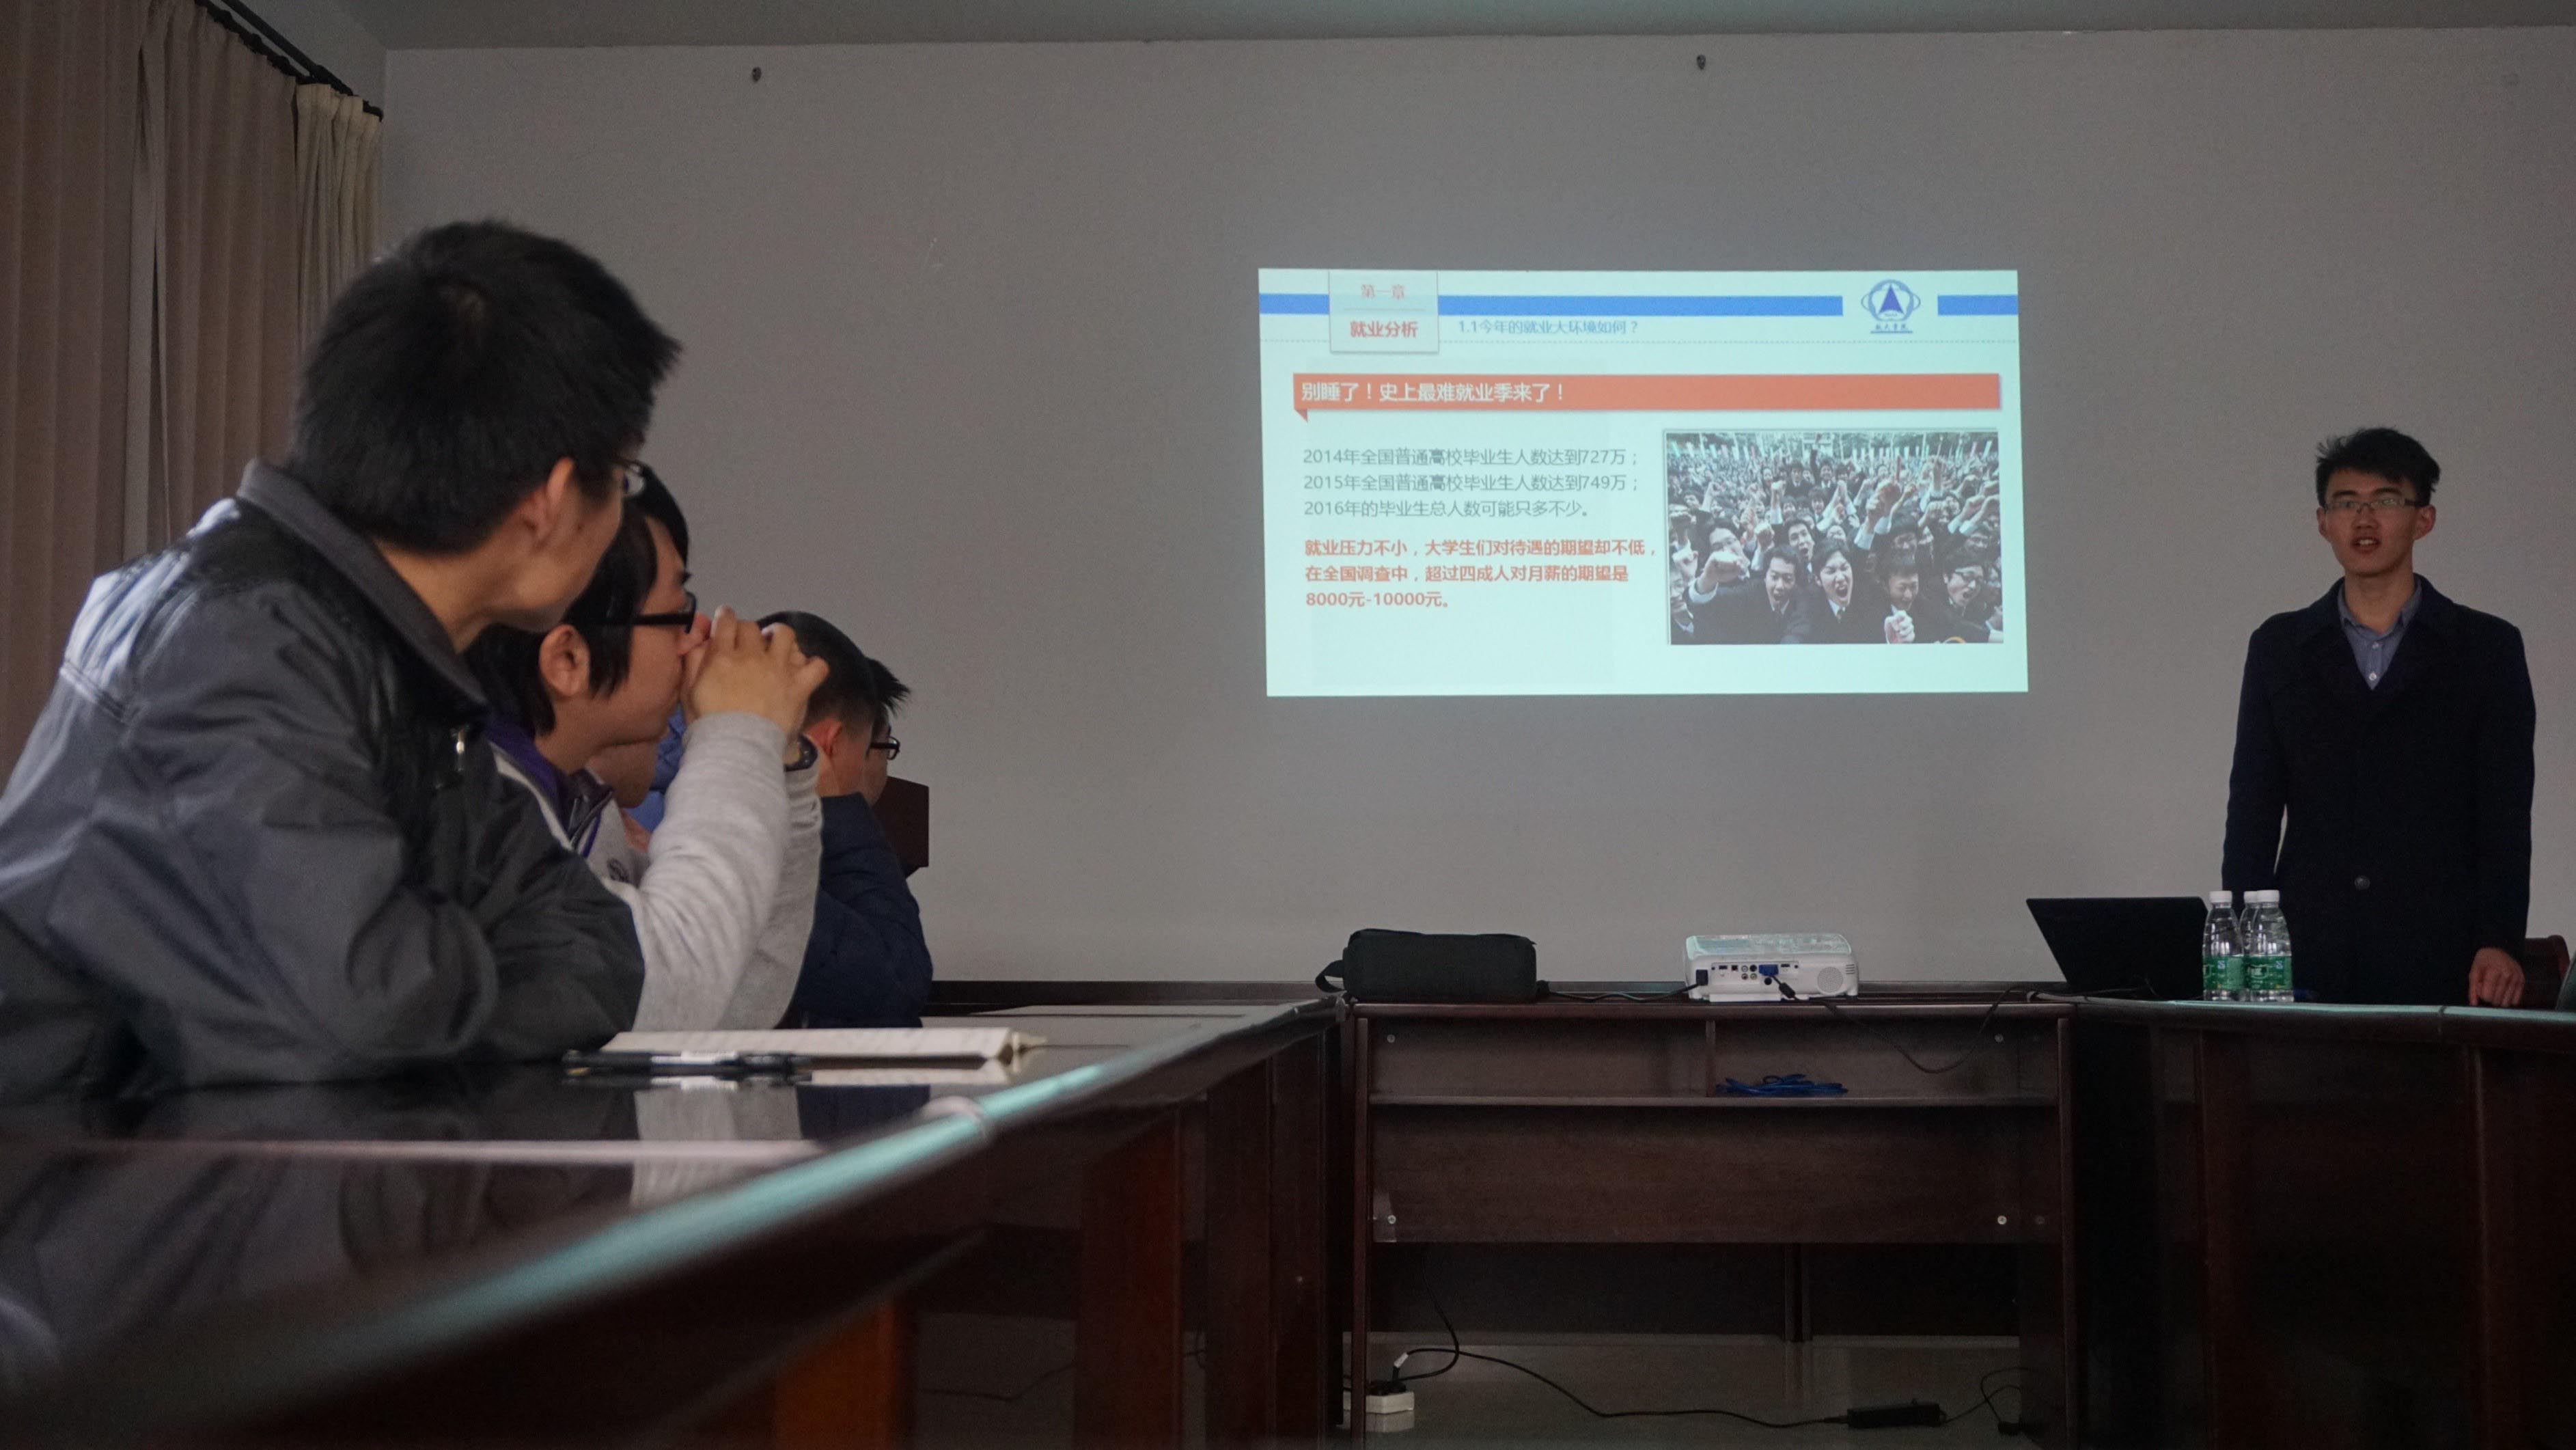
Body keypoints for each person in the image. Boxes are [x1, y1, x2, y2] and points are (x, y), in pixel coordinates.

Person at [0, 222, 672, 1097]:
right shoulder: (244, 647)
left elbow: (595, 941)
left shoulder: (380, 648)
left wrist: (427, 972)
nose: (618, 513)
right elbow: (352, 1019)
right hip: (66, 1171)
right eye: (621, 478)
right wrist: (461, 970)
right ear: (548, 501)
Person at [462, 483, 826, 1030]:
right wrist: (737, 732)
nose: (696, 638)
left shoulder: (580, 804)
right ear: (567, 659)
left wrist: (780, 764)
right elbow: (659, 988)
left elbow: (731, 1005)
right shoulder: (477, 806)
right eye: (676, 615)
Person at [2223, 428, 2535, 1006]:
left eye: (2386, 500)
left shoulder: (2485, 648)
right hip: (2309, 948)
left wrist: (2498, 939)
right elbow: (2252, 810)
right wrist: (2243, 948)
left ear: (2423, 519)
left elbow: (2504, 814)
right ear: (2322, 522)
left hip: (2438, 950)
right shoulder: (2279, 647)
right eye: (2345, 503)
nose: (2364, 519)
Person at [760, 611, 933, 1028]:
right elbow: (898, 978)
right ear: (831, 745)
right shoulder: (750, 852)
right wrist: (836, 804)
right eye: (879, 746)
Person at [1799, 536, 1881, 644]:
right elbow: (1798, 633)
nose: (1841, 578)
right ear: (1818, 579)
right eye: (1831, 571)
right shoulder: (1809, 602)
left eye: (1844, 568)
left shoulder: (1867, 599)